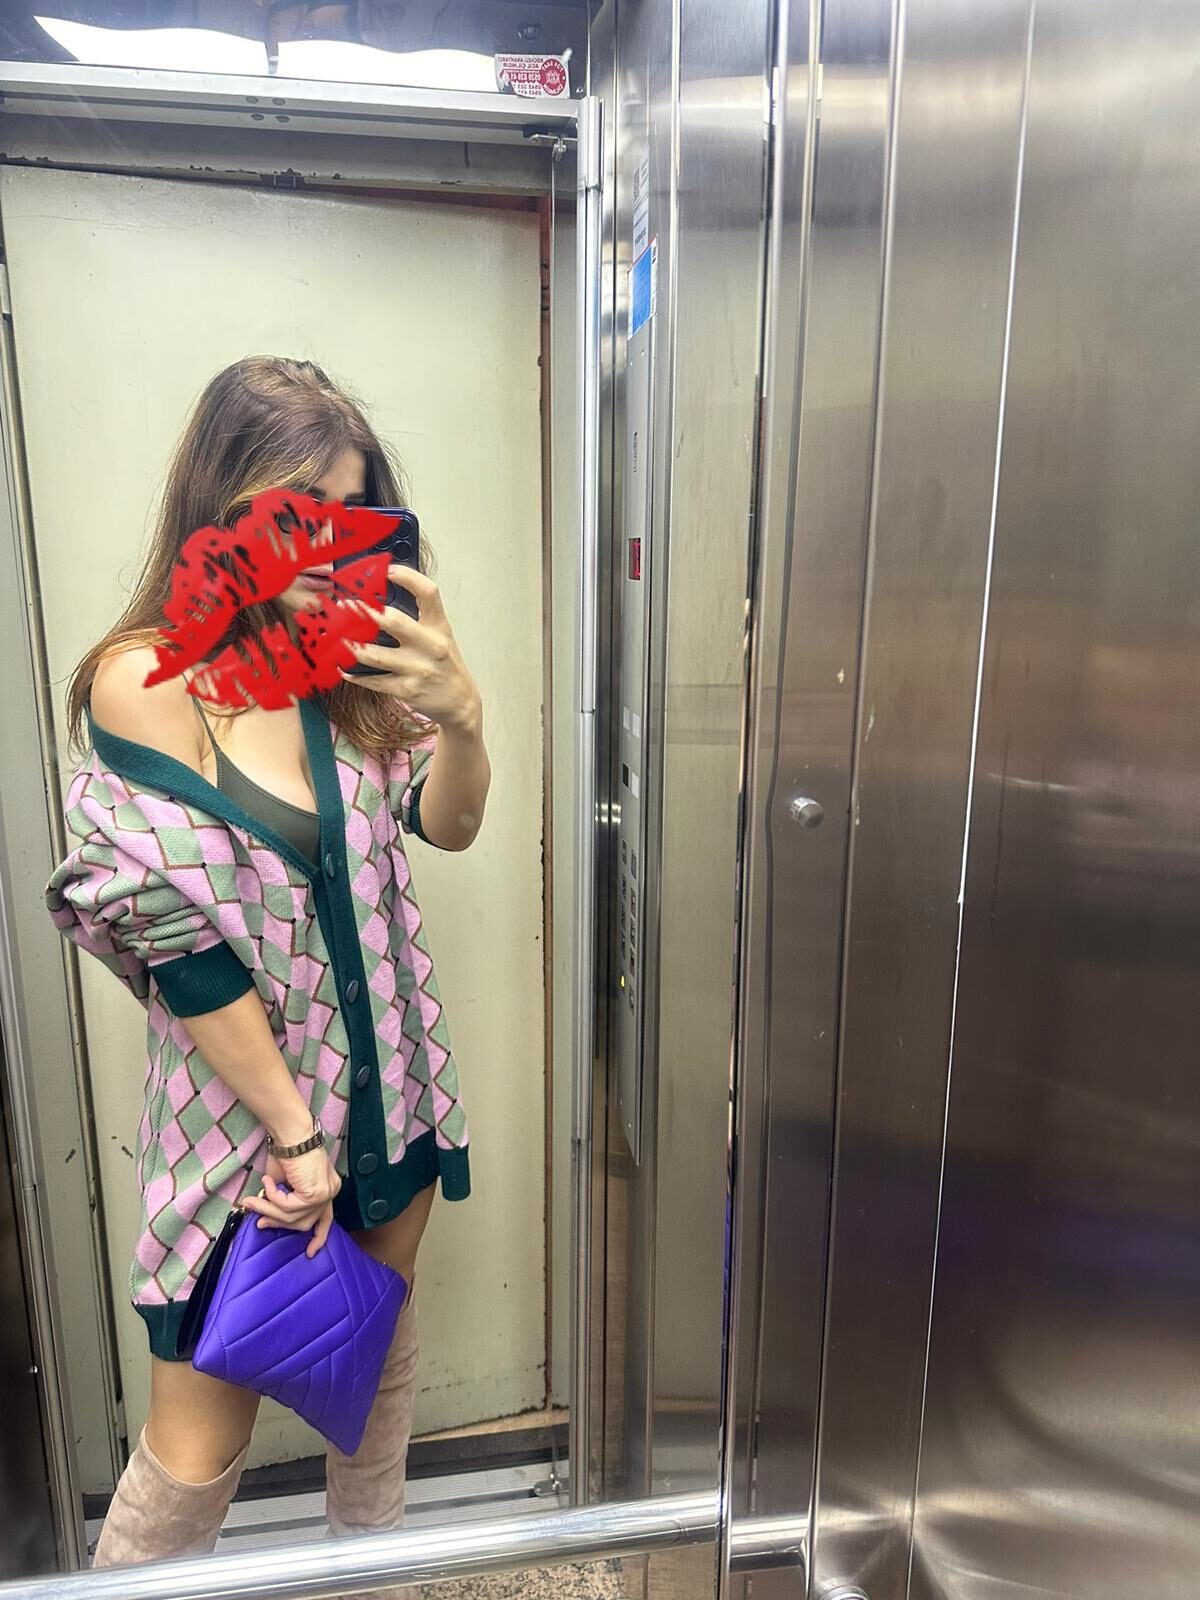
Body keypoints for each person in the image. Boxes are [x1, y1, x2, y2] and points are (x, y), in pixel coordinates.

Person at [45, 356, 489, 1574]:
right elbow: (170, 937)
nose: (324, 549)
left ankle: (368, 1579)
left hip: (391, 1090)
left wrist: (463, 716)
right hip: (246, 1132)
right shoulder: (146, 678)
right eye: (297, 516)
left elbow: (448, 824)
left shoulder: (348, 666)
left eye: (348, 515)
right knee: (192, 1457)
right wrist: (295, 1133)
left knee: (373, 1393)